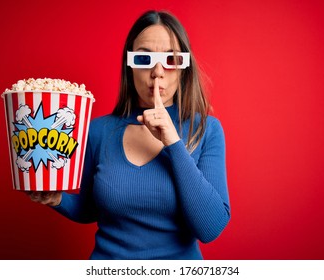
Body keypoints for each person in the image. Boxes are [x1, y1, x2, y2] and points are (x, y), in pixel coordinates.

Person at [28, 10, 231, 260]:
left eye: (172, 60)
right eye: (144, 59)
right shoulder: (98, 131)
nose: (158, 72)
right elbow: (92, 207)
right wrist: (57, 199)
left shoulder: (206, 130)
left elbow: (210, 228)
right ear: (129, 66)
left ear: (183, 70)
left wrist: (173, 142)